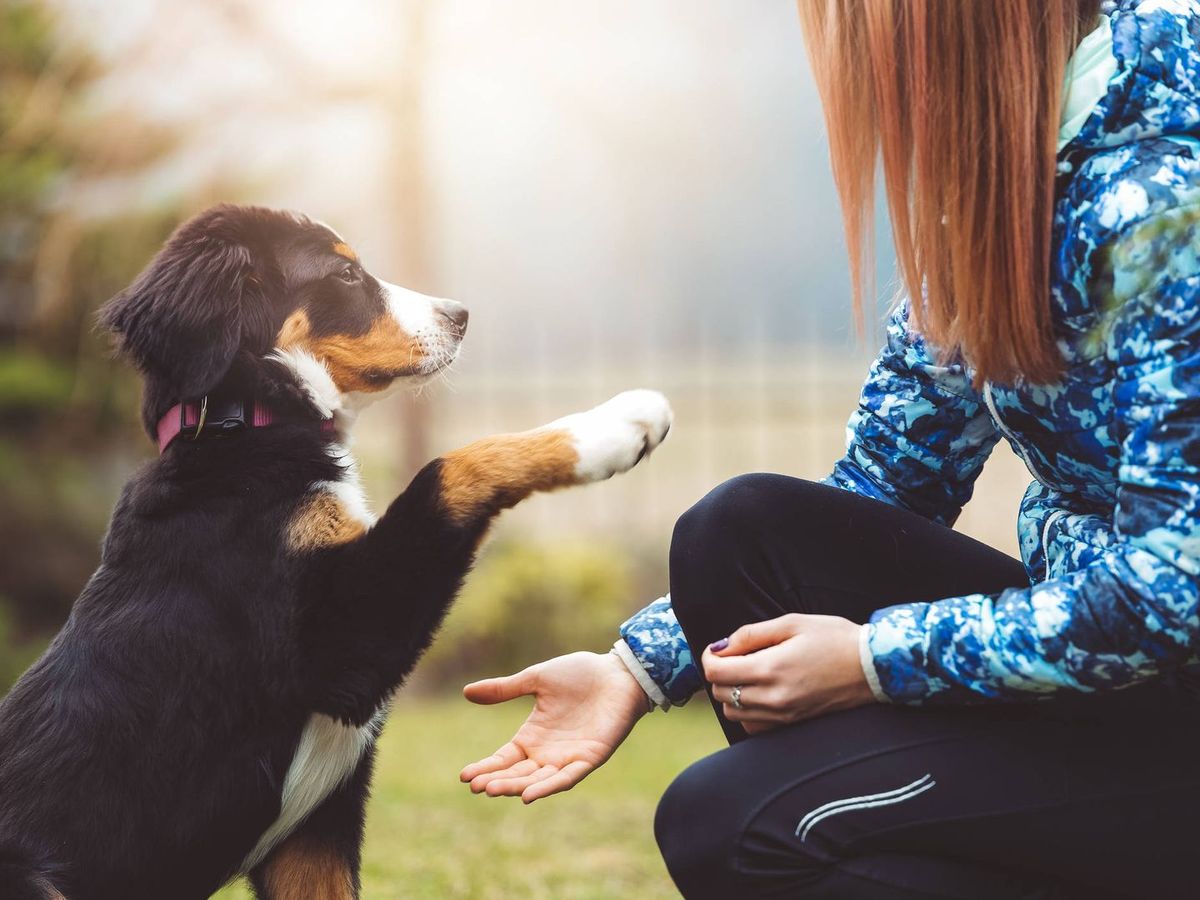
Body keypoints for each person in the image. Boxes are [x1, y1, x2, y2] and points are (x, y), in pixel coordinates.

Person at [460, 1, 1200, 896]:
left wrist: (872, 661)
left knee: (730, 825)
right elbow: (889, 479)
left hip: (1173, 701)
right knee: (739, 533)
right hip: (1113, 686)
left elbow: (1170, 593)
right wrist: (638, 668)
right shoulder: (1014, 178)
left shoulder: (1168, 198)